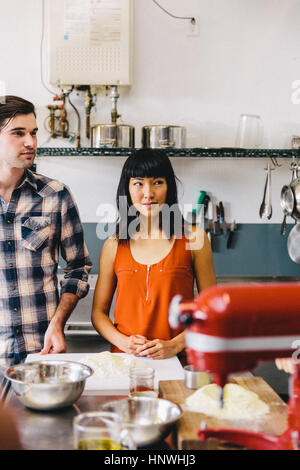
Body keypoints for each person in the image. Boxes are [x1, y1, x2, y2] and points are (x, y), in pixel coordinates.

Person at [92, 148, 216, 359]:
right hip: (125, 363)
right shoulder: (114, 245)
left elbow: (211, 311)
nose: (148, 193)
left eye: (157, 182)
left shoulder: (194, 239)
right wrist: (124, 342)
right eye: (138, 183)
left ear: (169, 187)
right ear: (127, 189)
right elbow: (98, 314)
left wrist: (175, 345)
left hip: (180, 363)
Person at [0, 96, 92, 367]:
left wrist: (58, 322)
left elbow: (78, 268)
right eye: (18, 133)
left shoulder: (56, 195)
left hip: (41, 356)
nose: (30, 142)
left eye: (33, 133)